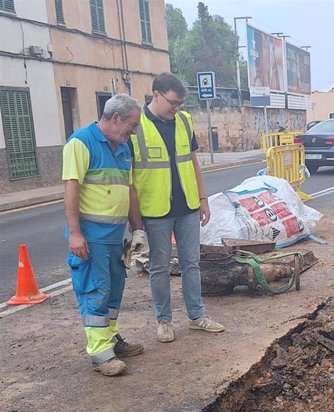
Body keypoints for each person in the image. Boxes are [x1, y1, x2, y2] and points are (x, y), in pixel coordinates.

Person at [129, 72, 224, 343]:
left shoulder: (184, 120)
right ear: (156, 95)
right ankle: (164, 321)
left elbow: (192, 161)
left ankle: (196, 316)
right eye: (173, 102)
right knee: (159, 266)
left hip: (188, 206)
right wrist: (135, 221)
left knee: (191, 263)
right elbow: (130, 177)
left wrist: (203, 199)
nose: (177, 108)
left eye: (180, 103)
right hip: (156, 209)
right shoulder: (137, 126)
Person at [63, 94, 145, 376]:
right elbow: (71, 188)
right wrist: (75, 234)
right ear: (115, 118)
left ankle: (111, 340)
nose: (133, 131)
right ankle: (100, 353)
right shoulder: (81, 142)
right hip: (92, 237)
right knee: (95, 291)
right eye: (132, 125)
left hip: (114, 237)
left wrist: (137, 228)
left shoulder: (123, 147)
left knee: (113, 291)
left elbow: (129, 189)